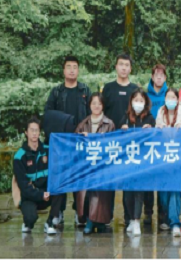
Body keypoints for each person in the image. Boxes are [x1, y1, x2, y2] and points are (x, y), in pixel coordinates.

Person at [43, 55, 91, 227]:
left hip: (79, 142)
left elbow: (92, 114)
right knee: (60, 177)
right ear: (63, 70)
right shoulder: (56, 92)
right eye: (68, 67)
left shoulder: (85, 91)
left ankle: (80, 212)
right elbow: (48, 115)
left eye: (75, 67)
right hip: (61, 145)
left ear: (78, 70)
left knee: (80, 177)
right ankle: (58, 212)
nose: (72, 70)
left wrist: (87, 132)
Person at [102, 53, 138, 226]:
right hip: (110, 141)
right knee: (108, 179)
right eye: (121, 64)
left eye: (127, 65)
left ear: (130, 68)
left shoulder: (135, 90)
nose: (124, 68)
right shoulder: (108, 89)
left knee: (128, 180)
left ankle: (129, 217)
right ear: (116, 66)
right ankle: (105, 216)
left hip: (130, 142)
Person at [13, 117, 64, 235]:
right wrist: (40, 195)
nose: (34, 133)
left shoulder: (48, 150)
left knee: (60, 188)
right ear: (26, 132)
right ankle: (27, 223)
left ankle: (50, 222)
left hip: (47, 193)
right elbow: (23, 186)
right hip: (29, 196)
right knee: (30, 218)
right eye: (32, 130)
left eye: (37, 130)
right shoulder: (19, 156)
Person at [75, 93, 116, 234]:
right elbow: (75, 145)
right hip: (86, 166)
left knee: (101, 196)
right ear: (89, 105)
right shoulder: (83, 124)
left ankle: (97, 221)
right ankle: (89, 220)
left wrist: (93, 138)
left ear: (103, 105)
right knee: (86, 193)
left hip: (102, 167)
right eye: (93, 103)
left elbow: (112, 144)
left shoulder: (109, 124)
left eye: (99, 103)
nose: (96, 106)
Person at [155, 88, 181, 237]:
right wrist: (158, 129)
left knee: (175, 190)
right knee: (164, 192)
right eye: (168, 97)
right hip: (163, 160)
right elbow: (155, 135)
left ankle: (175, 222)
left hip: (178, 159)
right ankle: (166, 217)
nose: (170, 100)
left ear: (177, 99)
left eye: (173, 97)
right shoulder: (160, 113)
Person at [120, 88, 156, 236]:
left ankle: (136, 221)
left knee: (139, 191)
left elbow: (156, 138)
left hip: (143, 161)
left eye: (141, 100)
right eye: (136, 100)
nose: (138, 103)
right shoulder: (126, 117)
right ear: (131, 102)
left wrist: (151, 130)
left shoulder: (150, 118)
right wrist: (122, 130)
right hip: (128, 161)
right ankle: (130, 219)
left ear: (146, 103)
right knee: (128, 193)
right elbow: (119, 139)